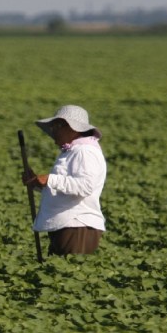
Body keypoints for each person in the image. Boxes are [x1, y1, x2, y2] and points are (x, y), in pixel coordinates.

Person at [22, 105, 107, 256]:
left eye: (56, 126)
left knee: (71, 275)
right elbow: (64, 189)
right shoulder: (71, 151)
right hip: (67, 225)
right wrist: (36, 183)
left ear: (72, 128)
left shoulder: (84, 152)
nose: (53, 132)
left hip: (77, 224)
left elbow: (86, 186)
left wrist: (49, 179)